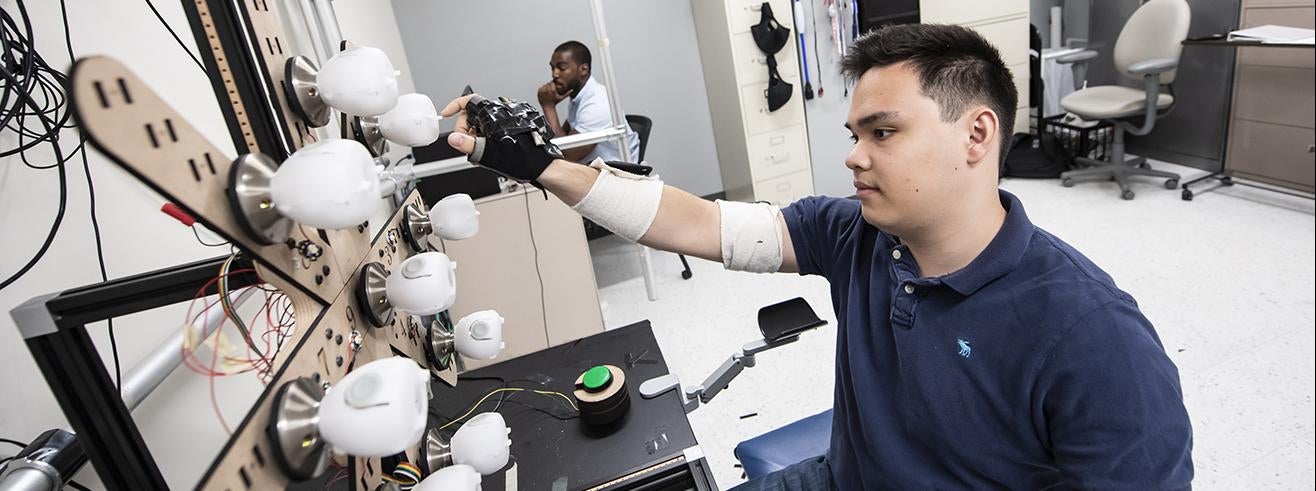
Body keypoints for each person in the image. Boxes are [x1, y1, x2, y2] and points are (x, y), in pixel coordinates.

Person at [443, 24, 1193, 490]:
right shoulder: (857, 236)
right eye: (853, 133)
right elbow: (700, 223)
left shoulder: (1094, 336)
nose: (853, 158)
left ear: (976, 136)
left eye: (882, 133)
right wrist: (540, 163)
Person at [536, 40, 640, 163]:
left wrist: (548, 107)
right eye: (552, 68)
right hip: (591, 170)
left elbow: (564, 156)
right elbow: (564, 138)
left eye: (561, 68)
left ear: (584, 69)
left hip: (614, 176)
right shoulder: (580, 96)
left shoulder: (597, 104)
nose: (554, 74)